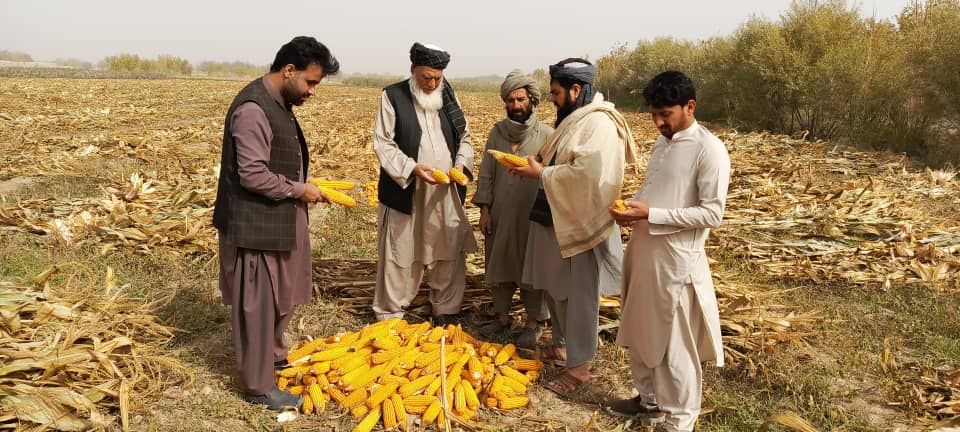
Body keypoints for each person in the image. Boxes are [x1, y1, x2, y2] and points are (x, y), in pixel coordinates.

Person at [212, 36, 339, 410]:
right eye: (310, 82)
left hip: (275, 220)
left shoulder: (279, 102)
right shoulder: (253, 109)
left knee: (280, 296)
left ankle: (273, 355)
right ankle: (257, 386)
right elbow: (251, 174)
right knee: (258, 304)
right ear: (288, 71)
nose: (312, 91)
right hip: (253, 226)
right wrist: (300, 189)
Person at [607, 71, 730, 432]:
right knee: (641, 332)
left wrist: (652, 214)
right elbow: (654, 191)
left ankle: (679, 422)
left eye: (666, 114)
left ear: (689, 107)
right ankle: (650, 402)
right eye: (654, 114)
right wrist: (633, 209)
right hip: (644, 254)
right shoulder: (663, 144)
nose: (659, 122)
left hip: (677, 264)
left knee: (675, 348)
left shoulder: (709, 150)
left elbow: (712, 213)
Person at [510, 58, 637, 397]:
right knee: (557, 287)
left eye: (555, 92)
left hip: (582, 222)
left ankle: (579, 370)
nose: (551, 98)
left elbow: (587, 176)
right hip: (558, 215)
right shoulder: (576, 118)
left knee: (578, 296)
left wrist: (540, 174)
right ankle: (564, 348)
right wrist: (539, 163)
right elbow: (564, 158)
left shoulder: (600, 125)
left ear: (576, 90)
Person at [372, 42, 477, 325]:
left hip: (443, 190)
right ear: (412, 71)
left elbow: (465, 138)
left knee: (446, 247)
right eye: (425, 78)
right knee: (401, 249)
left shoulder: (449, 97)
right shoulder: (392, 96)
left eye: (437, 78)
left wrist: (460, 164)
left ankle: (445, 308)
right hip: (406, 188)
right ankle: (391, 313)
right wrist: (412, 168)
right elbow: (383, 143)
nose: (431, 84)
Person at [473, 70, 553, 348]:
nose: (516, 105)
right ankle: (502, 317)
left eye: (520, 99)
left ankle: (533, 323)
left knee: (531, 268)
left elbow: (553, 176)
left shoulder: (547, 135)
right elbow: (486, 173)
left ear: (532, 100)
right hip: (500, 213)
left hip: (531, 216)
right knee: (499, 262)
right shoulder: (497, 133)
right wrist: (484, 210)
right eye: (510, 100)